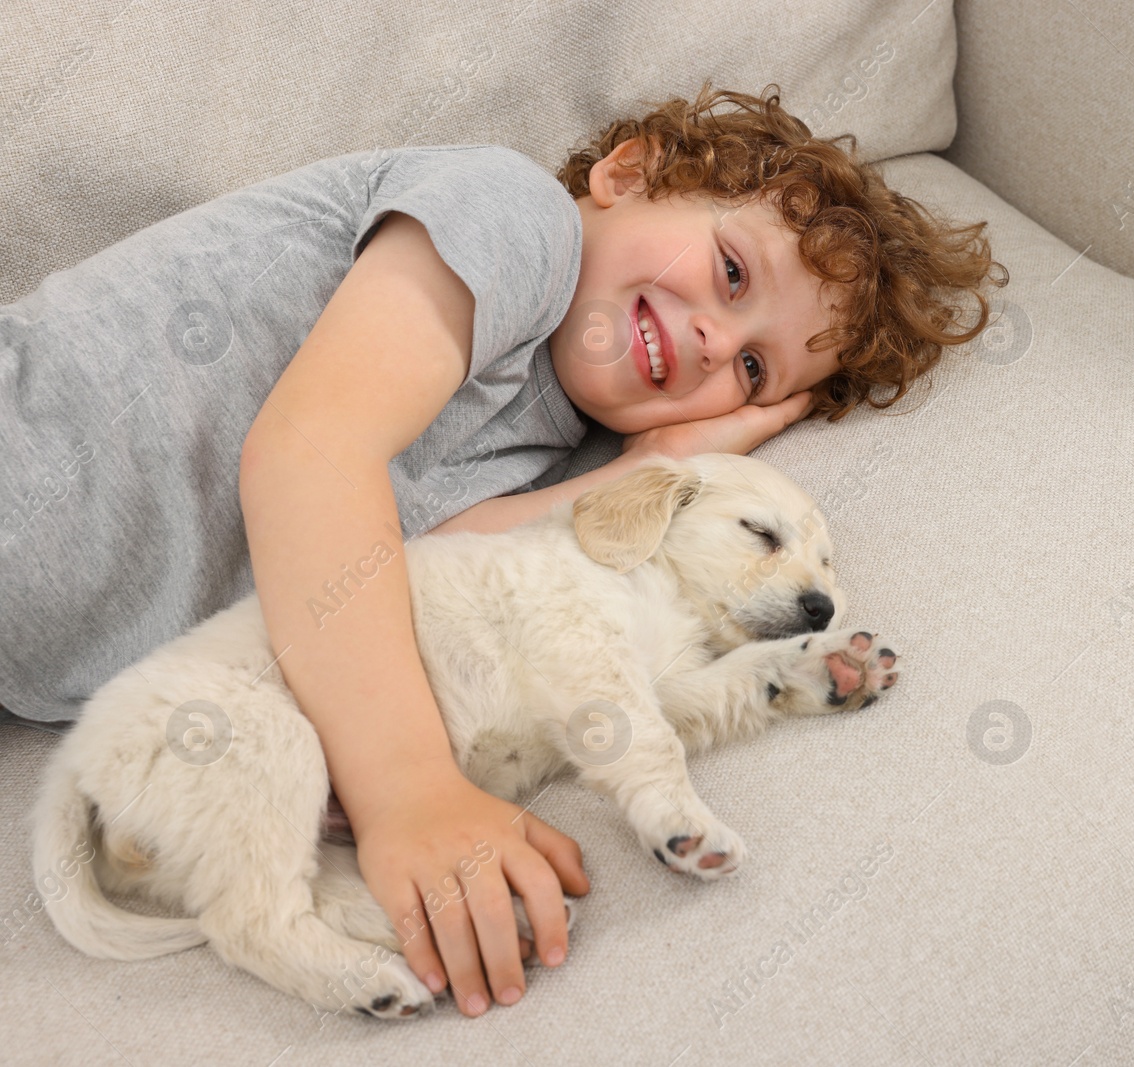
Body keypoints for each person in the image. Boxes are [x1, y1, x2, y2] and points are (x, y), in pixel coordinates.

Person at [0, 82, 1007, 1016]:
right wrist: (410, 791)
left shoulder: (546, 460)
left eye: (751, 367)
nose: (710, 339)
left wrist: (664, 461)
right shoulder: (512, 215)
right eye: (730, 271)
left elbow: (380, 584)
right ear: (625, 174)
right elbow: (311, 455)